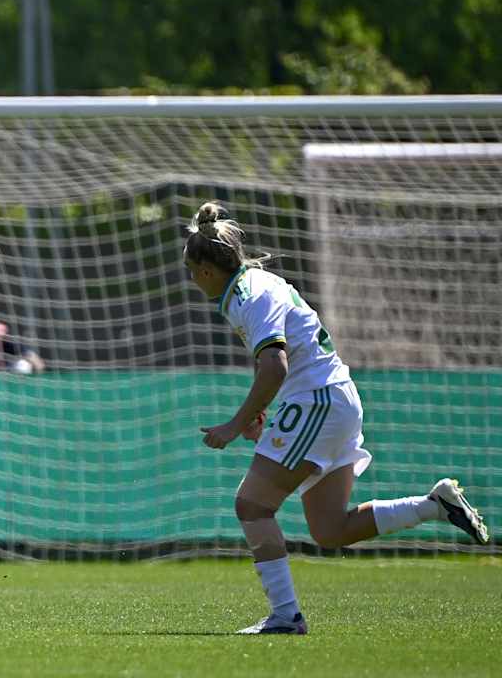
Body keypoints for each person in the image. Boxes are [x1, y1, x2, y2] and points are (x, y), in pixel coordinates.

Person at [185, 201, 489, 635]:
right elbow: (286, 357)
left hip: (318, 402)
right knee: (330, 529)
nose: (193, 282)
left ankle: (286, 617)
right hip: (330, 399)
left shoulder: (248, 295)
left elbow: (276, 366)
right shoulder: (255, 285)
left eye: (192, 271)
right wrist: (261, 413)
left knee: (251, 504)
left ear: (205, 269)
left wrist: (236, 425)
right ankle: (433, 505)